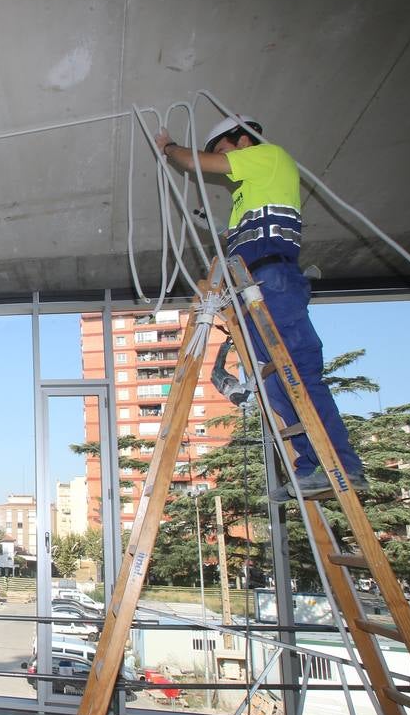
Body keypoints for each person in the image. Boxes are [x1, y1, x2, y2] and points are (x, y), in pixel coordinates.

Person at [155, 115, 366, 502]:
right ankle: (308, 467)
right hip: (254, 288)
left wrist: (169, 148)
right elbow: (245, 235)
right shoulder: (250, 192)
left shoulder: (268, 157)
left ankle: (343, 465)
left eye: (221, 150)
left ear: (241, 141)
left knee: (299, 372)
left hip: (274, 282)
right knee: (273, 381)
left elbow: (197, 162)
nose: (220, 161)